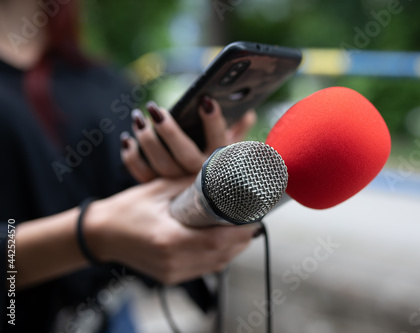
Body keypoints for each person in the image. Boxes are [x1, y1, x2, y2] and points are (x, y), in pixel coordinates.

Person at [0, 1, 257, 332]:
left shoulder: (102, 81)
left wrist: (178, 187)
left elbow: (130, 198)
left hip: (110, 318)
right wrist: (89, 234)